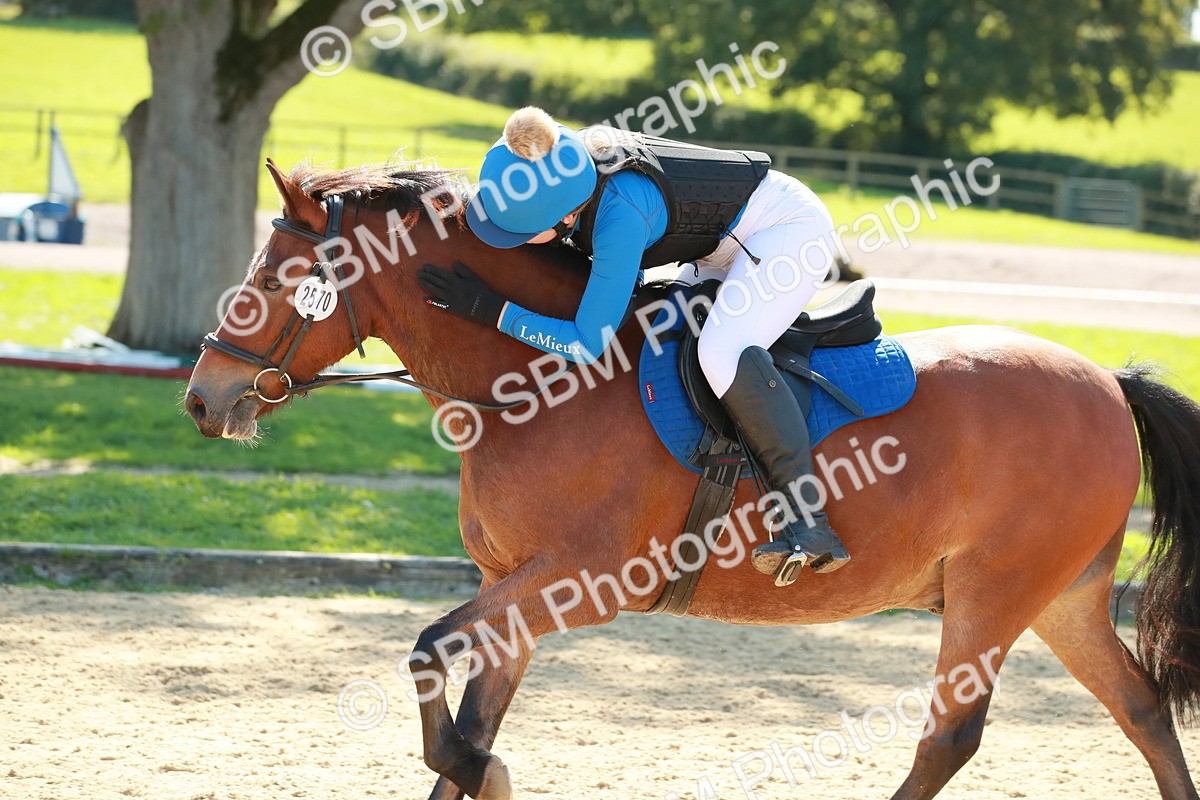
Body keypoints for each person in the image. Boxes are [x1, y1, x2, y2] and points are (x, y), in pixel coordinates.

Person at [418, 107, 848, 586]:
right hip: (723, 240)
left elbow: (585, 344)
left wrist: (495, 312)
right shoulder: (560, 160)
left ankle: (807, 523)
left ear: (564, 218)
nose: (516, 242)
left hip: (785, 232)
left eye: (522, 234)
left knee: (721, 352)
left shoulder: (619, 215)